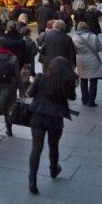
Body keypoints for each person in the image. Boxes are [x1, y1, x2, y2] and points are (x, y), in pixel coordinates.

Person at [26, 57, 78, 194]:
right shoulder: (67, 81)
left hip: (38, 116)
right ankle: (54, 169)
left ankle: (32, 179)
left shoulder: (41, 78)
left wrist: (33, 83)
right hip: (56, 118)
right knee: (53, 145)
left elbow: (30, 93)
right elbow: (72, 97)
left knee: (36, 147)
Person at [72, 21, 102, 108]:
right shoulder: (93, 36)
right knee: (94, 81)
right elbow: (100, 48)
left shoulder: (75, 38)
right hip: (93, 60)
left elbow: (73, 50)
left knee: (83, 81)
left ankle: (84, 99)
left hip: (81, 61)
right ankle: (91, 101)